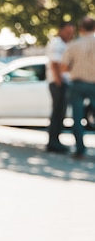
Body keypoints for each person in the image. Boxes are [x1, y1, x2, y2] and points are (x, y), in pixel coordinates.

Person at [62, 15, 95, 159]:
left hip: (77, 83)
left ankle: (80, 150)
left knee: (77, 117)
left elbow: (63, 68)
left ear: (81, 28)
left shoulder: (74, 45)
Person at [45, 20, 75, 153]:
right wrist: (59, 82)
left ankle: (55, 141)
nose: (70, 35)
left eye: (71, 33)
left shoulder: (64, 43)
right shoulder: (57, 43)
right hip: (59, 83)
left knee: (60, 113)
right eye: (68, 32)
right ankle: (53, 143)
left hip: (62, 82)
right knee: (57, 113)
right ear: (61, 30)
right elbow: (54, 64)